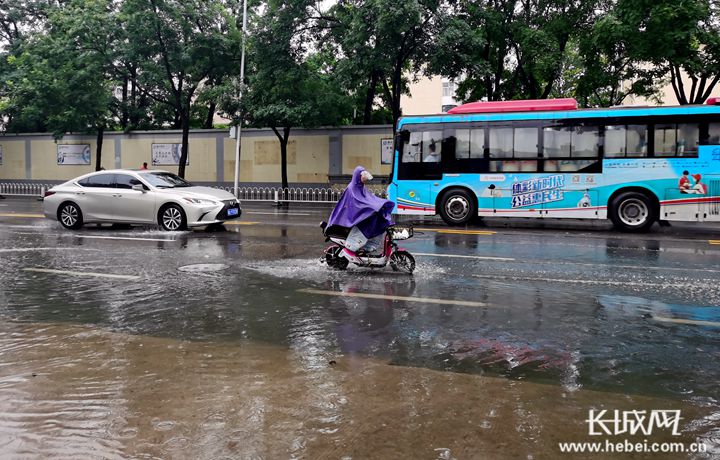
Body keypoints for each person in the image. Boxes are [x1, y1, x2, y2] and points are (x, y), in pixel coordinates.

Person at [326, 166, 394, 255]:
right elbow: (358, 203)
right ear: (358, 176)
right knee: (371, 222)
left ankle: (368, 248)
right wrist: (373, 207)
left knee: (379, 220)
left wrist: (379, 203)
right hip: (354, 217)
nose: (364, 179)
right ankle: (358, 248)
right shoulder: (352, 188)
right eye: (363, 177)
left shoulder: (360, 186)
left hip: (360, 216)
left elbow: (369, 198)